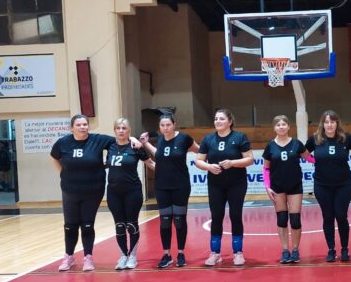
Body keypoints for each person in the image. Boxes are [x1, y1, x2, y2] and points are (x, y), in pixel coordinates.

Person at [51, 114, 134, 272]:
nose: (82, 127)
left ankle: (88, 257)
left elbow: (120, 138)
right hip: (70, 191)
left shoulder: (98, 140)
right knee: (70, 226)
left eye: (85, 124)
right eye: (79, 125)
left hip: (93, 191)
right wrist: (63, 172)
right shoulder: (63, 142)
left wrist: (133, 139)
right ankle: (69, 256)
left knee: (87, 225)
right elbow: (54, 157)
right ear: (72, 128)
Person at [306, 110, 351, 262]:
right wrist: (315, 161)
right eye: (326, 122)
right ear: (322, 124)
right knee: (328, 217)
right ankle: (331, 249)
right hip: (322, 185)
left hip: (343, 185)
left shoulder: (345, 138)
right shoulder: (315, 139)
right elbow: (302, 152)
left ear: (337, 123)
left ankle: (345, 248)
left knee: (341, 216)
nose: (329, 125)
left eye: (332, 122)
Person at [195, 109, 254, 266]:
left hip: (236, 184)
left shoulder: (239, 137)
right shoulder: (208, 139)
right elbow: (198, 161)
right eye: (216, 119)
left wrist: (232, 163)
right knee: (216, 216)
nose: (218, 121)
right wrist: (209, 167)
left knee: (235, 215)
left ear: (230, 121)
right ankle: (215, 253)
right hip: (215, 185)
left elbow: (249, 159)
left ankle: (238, 253)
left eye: (221, 118)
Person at [140, 113, 199, 269]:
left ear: (174, 124)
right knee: (165, 221)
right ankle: (166, 255)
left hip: (180, 186)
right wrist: (146, 144)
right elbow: (159, 155)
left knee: (179, 220)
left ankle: (181, 253)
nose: (165, 128)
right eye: (162, 125)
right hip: (162, 187)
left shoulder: (184, 138)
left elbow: (200, 151)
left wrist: (206, 162)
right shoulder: (160, 140)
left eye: (168, 125)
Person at [262, 115, 314, 263]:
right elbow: (266, 169)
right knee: (282, 219)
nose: (281, 127)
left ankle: (295, 250)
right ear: (274, 128)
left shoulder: (297, 144)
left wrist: (326, 160)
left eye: (284, 124)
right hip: (277, 187)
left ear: (289, 127)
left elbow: (310, 158)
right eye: (278, 125)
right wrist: (267, 187)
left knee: (295, 219)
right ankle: (285, 250)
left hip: (295, 186)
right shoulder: (270, 146)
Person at [107, 118, 154, 270]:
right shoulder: (110, 145)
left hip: (132, 191)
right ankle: (123, 255)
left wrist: (168, 171)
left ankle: (132, 256)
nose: (121, 130)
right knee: (119, 225)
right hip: (113, 192)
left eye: (124, 128)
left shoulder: (136, 147)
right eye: (118, 128)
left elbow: (150, 163)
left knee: (131, 225)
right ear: (114, 130)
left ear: (129, 130)